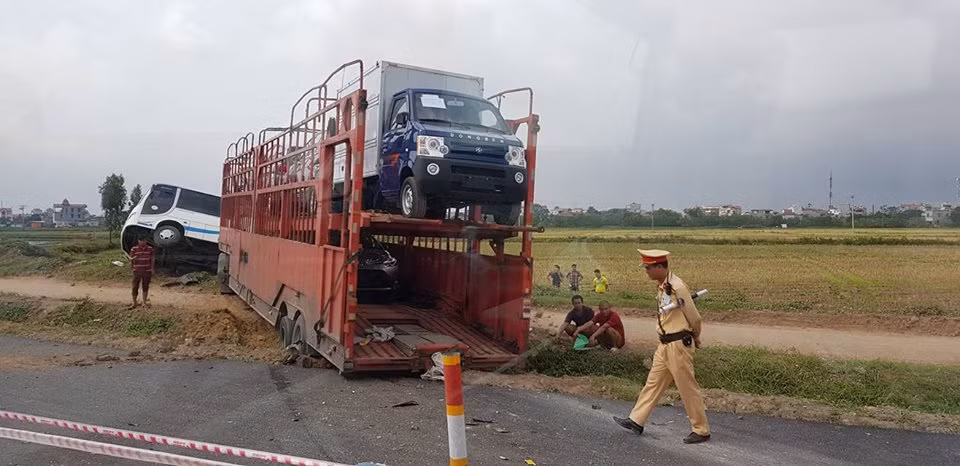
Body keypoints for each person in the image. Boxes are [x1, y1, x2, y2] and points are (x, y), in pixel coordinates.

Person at [613, 249, 710, 444]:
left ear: (659, 267)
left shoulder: (677, 287)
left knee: (687, 388)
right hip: (665, 344)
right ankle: (637, 420)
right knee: (653, 383)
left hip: (678, 344)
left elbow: (695, 318)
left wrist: (696, 337)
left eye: (648, 268)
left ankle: (701, 429)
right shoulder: (664, 286)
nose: (646, 271)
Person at [129, 236, 155, 309]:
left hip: (147, 270)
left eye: (143, 240)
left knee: (145, 286)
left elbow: (152, 259)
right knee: (135, 287)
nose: (142, 242)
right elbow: (131, 259)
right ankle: (134, 303)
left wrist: (152, 268)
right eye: (141, 240)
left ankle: (144, 302)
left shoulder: (150, 249)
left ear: (146, 241)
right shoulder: (134, 249)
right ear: (138, 241)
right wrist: (133, 260)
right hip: (137, 270)